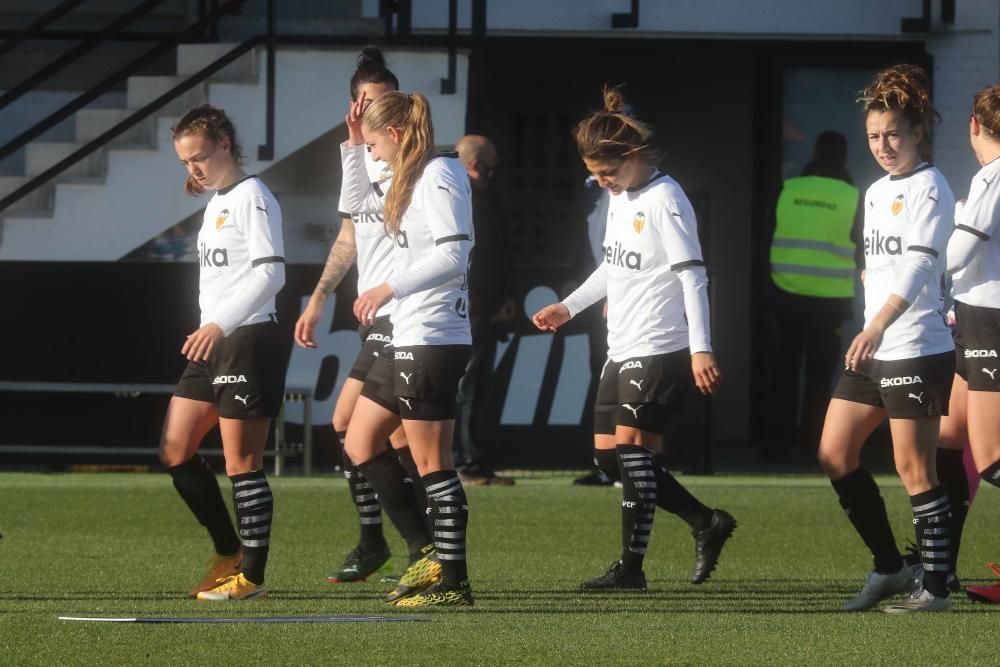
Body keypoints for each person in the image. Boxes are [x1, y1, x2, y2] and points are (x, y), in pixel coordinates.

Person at [532, 86, 736, 590]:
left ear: (634, 154)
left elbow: (693, 274)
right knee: (607, 457)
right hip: (620, 347)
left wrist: (700, 346)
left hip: (659, 345)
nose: (603, 183)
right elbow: (612, 265)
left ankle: (631, 569)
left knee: (632, 453)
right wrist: (568, 306)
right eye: (596, 175)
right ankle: (706, 522)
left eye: (609, 172)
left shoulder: (666, 199)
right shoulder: (622, 199)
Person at [817, 64, 956, 613]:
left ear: (918, 132)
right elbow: (880, 263)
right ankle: (892, 568)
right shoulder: (874, 191)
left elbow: (922, 263)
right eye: (874, 135)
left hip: (915, 346)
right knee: (834, 453)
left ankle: (938, 590)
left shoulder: (932, 186)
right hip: (873, 347)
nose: (883, 144)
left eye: (894, 133)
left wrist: (877, 322)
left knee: (914, 471)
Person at [293, 46, 425, 585]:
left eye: (381, 102)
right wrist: (320, 295)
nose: (369, 111)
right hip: (378, 319)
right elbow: (350, 234)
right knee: (375, 436)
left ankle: (420, 546)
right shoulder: (359, 159)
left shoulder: (407, 163)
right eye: (363, 102)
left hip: (407, 316)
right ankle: (398, 543)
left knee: (367, 432)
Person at [342, 90, 476, 607]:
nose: (373, 154)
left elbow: (455, 253)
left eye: (375, 144)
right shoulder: (406, 173)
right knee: (359, 442)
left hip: (434, 335)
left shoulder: (440, 173)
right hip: (408, 332)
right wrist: (353, 146)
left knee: (431, 463)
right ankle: (427, 553)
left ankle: (453, 581)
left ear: (396, 135)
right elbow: (357, 209)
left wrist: (389, 287)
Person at [159, 104, 286, 600]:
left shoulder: (254, 196)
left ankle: (251, 577)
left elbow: (272, 273)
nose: (193, 168)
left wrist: (220, 323)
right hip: (213, 341)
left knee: (242, 462)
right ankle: (227, 550)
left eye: (200, 157)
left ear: (225, 146)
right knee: (175, 448)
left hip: (247, 337)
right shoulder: (217, 200)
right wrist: (212, 326)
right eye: (186, 161)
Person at [765, 132, 861, 462]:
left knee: (783, 371)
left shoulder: (790, 189)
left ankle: (775, 446)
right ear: (843, 157)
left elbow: (766, 235)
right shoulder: (852, 196)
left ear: (816, 152)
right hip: (830, 303)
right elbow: (864, 248)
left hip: (786, 294)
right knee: (820, 378)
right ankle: (813, 446)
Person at [940, 83, 1000, 604]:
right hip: (974, 320)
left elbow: (960, 250)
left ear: (974, 126)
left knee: (991, 456)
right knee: (947, 440)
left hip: (990, 321)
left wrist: (912, 269)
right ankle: (940, 565)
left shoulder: (994, 174)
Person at [452, 134, 515, 485]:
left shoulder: (486, 198)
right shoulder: (463, 202)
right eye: (492, 163)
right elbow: (470, 261)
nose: (497, 169)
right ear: (476, 166)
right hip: (471, 312)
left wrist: (504, 297)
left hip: (486, 311)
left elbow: (499, 255)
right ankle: (467, 462)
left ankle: (472, 459)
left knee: (477, 388)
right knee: (468, 388)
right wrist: (481, 306)